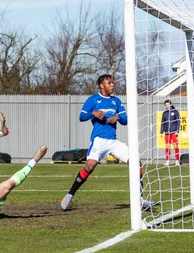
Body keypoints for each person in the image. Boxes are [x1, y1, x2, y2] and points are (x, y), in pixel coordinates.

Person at [60, 74, 157, 211]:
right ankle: (69, 195)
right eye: (109, 83)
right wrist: (93, 113)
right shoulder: (93, 99)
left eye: (112, 82)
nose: (112, 85)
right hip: (99, 141)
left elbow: (125, 120)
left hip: (113, 142)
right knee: (89, 167)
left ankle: (140, 199)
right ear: (101, 85)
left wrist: (117, 117)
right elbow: (82, 117)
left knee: (136, 162)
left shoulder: (116, 101)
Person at [160, 100, 180, 166]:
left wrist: (177, 130)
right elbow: (162, 123)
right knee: (167, 146)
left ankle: (177, 161)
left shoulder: (175, 112)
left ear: (171, 104)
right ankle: (167, 161)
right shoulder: (164, 113)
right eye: (166, 105)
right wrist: (161, 132)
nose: (167, 106)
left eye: (168, 104)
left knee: (175, 146)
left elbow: (178, 122)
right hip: (167, 133)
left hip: (174, 132)